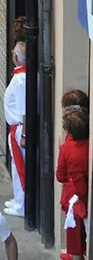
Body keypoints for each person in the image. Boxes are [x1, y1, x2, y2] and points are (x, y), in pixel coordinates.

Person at [57, 106, 89, 260]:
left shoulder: (67, 149)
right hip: (82, 196)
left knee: (75, 236)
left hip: (76, 198)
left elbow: (60, 176)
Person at [3, 42, 27, 218]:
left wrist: (24, 134)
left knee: (20, 167)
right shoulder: (22, 76)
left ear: (16, 58)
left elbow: (24, 110)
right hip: (18, 128)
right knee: (16, 165)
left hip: (20, 129)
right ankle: (18, 198)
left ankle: (22, 205)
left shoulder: (20, 79)